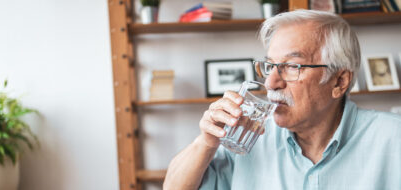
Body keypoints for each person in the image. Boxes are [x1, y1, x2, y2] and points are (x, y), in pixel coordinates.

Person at [163, 10, 401, 190]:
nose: (270, 83)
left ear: (339, 81)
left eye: (292, 67)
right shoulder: (248, 136)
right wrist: (205, 142)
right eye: (270, 66)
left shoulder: (393, 138)